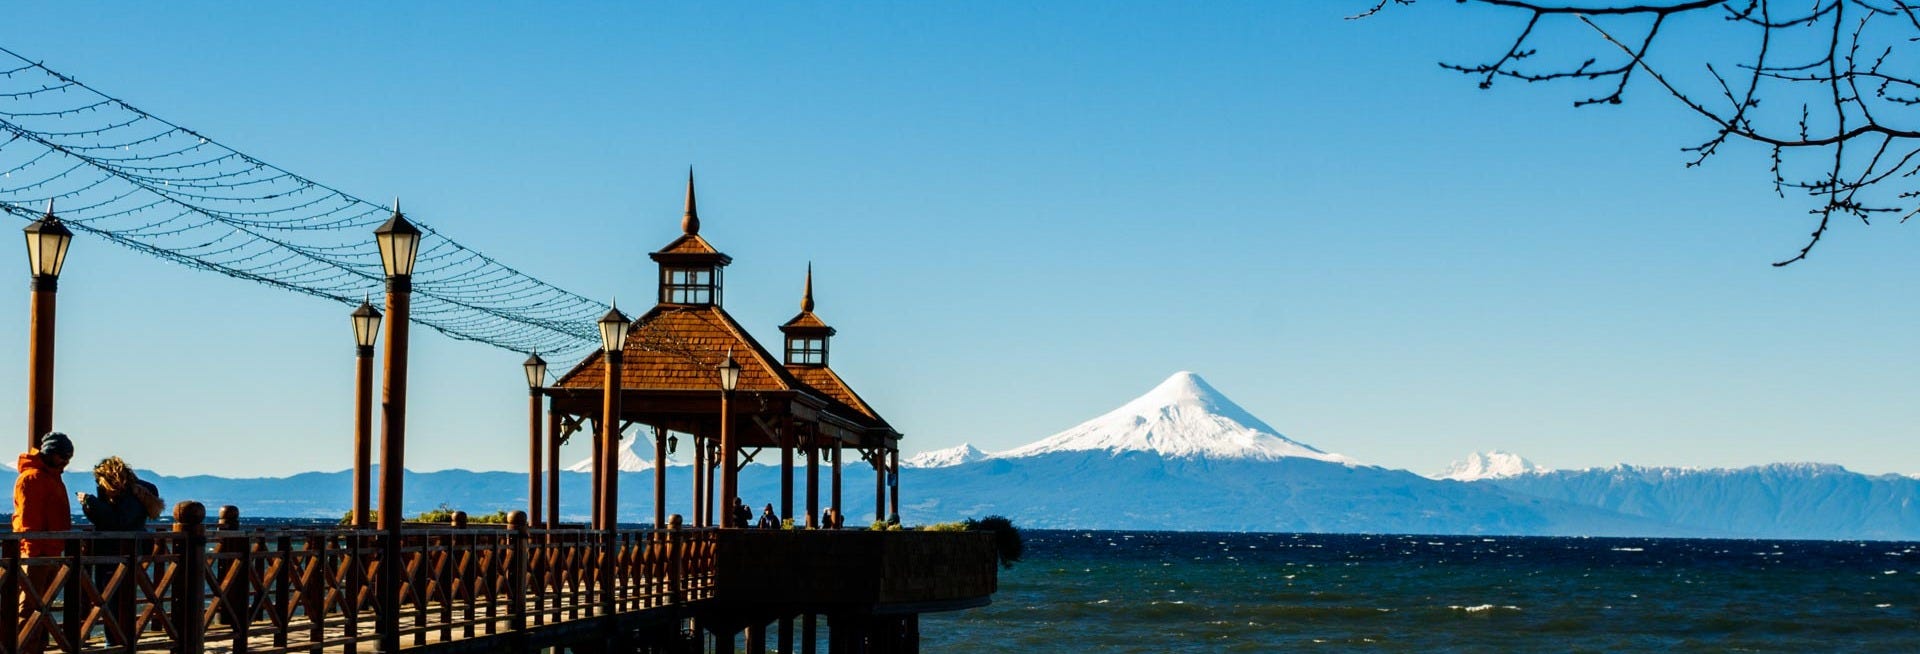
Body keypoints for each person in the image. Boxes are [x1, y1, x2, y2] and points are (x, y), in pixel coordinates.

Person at [78, 457, 162, 646]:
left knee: (110, 598)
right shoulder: (140, 491)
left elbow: (117, 522)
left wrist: (89, 502)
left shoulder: (126, 495)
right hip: (130, 550)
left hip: (115, 550)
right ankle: (120, 640)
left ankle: (116, 642)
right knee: (120, 597)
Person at [13, 432, 74, 654]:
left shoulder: (50, 476)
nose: (66, 461)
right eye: (63, 456)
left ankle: (35, 646)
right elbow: (29, 521)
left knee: (42, 606)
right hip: (37, 553)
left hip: (51, 550)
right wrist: (33, 553)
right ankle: (23, 646)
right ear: (50, 453)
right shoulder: (33, 478)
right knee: (29, 607)